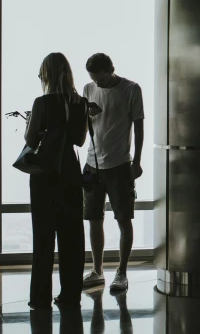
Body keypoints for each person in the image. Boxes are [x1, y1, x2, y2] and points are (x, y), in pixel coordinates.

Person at [25, 53, 88, 310]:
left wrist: (33, 122)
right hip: (70, 172)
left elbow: (30, 142)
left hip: (45, 174)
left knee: (43, 235)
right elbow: (80, 141)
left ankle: (40, 298)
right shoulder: (80, 103)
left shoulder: (42, 102)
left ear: (48, 74)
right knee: (72, 236)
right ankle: (70, 295)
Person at [81, 53, 145, 293]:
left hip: (120, 165)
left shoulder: (131, 89)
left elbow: (139, 126)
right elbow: (84, 125)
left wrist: (137, 162)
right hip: (92, 163)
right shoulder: (88, 89)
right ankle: (97, 269)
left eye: (101, 79)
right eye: (94, 80)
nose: (98, 84)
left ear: (110, 70)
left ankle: (122, 271)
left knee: (123, 218)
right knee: (93, 219)